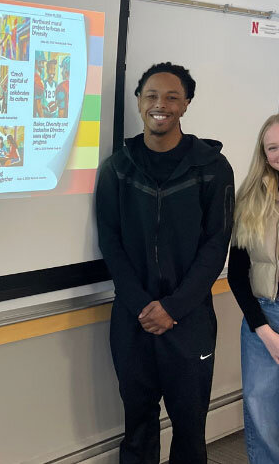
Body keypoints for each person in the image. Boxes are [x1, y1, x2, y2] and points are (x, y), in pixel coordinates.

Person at [96, 62, 234, 463]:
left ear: (186, 104)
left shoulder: (212, 167)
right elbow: (111, 241)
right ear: (139, 102)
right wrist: (142, 305)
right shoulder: (117, 167)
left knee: (190, 427)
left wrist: (173, 308)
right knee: (137, 424)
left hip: (189, 319)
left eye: (172, 97)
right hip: (132, 319)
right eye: (152, 96)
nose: (161, 104)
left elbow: (215, 246)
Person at [227, 114, 279, 463]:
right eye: (273, 147)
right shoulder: (250, 198)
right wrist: (265, 331)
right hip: (265, 317)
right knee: (263, 412)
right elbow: (236, 274)